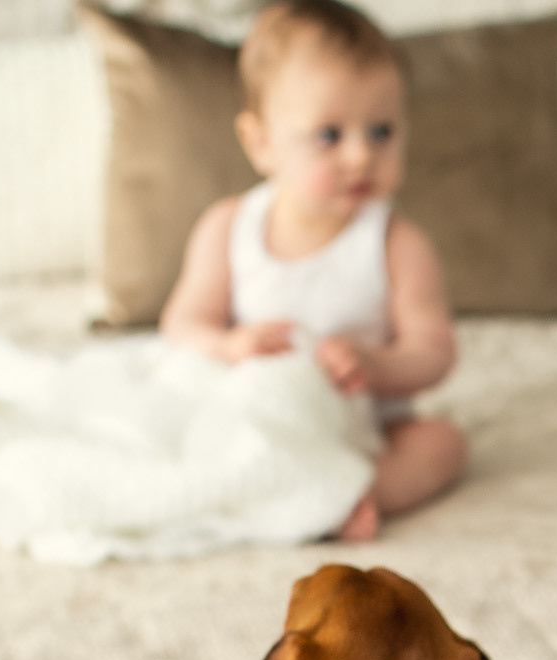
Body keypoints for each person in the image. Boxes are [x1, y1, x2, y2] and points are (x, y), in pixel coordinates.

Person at [160, 0, 466, 542]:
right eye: (329, 135)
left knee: (442, 443)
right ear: (261, 144)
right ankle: (258, 487)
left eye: (381, 132)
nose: (359, 156)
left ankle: (357, 491)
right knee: (181, 424)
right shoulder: (229, 227)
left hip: (364, 427)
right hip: (266, 417)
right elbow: (182, 326)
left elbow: (434, 353)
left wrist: (375, 364)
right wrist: (230, 346)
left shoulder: (397, 244)